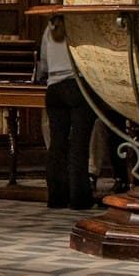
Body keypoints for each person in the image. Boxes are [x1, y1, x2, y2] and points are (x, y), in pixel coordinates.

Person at [40, 20, 100, 211]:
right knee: (79, 144)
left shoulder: (49, 30)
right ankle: (79, 198)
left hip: (54, 89)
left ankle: (56, 197)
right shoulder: (81, 27)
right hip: (77, 85)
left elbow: (43, 64)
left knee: (57, 143)